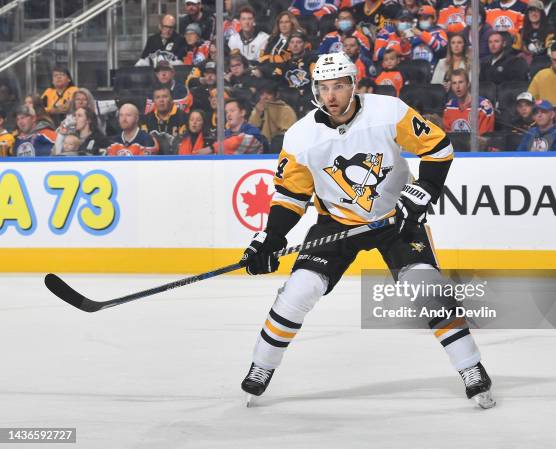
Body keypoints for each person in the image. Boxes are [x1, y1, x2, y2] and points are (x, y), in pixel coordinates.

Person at [238, 52, 495, 409]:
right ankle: (261, 366)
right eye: (324, 88)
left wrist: (425, 190)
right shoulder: (299, 136)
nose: (331, 96)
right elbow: (292, 196)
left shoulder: (388, 111)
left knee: (425, 286)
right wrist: (271, 237)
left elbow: (438, 147)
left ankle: (471, 366)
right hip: (337, 222)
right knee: (299, 290)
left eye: (339, 86)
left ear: (352, 85)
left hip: (395, 218)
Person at [443, 68, 495, 134]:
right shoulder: (448, 107)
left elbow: (485, 139)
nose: (457, 86)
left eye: (461, 82)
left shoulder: (484, 107)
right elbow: (448, 136)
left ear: (468, 84)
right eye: (454, 83)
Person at [141, 86, 188, 154]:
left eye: (165, 96)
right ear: (154, 101)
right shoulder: (146, 119)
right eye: (157, 97)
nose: (161, 100)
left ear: (171, 99)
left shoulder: (183, 117)